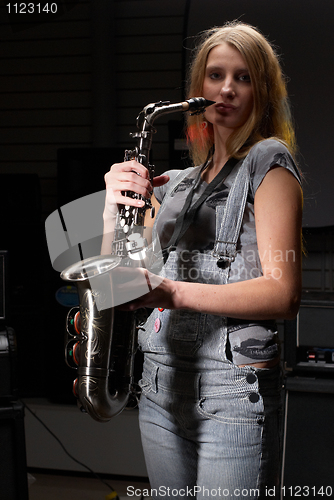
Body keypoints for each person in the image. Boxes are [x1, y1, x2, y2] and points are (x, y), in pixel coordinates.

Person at [102, 21, 302, 499]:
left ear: (263, 91)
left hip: (233, 395)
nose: (227, 89)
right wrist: (113, 208)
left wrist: (171, 291)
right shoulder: (177, 183)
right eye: (215, 75)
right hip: (158, 387)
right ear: (199, 90)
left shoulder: (270, 164)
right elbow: (119, 279)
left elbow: (284, 293)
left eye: (244, 77)